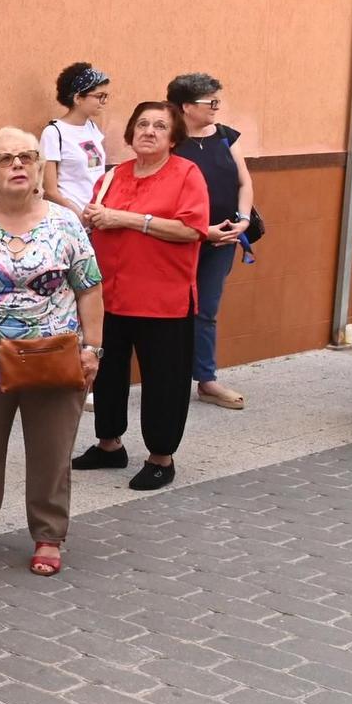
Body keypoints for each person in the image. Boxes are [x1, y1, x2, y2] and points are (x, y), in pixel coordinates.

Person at [0, 128, 103, 577]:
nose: (18, 164)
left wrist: (93, 348)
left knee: (51, 453)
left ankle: (48, 534)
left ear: (38, 168)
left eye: (27, 157)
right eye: (5, 158)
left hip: (54, 357)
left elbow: (89, 288)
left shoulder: (64, 222)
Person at [74, 102, 207, 491]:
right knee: (109, 372)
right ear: (130, 133)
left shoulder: (187, 174)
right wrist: (91, 217)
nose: (149, 131)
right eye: (142, 124)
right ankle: (109, 444)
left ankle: (161, 457)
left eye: (160, 126)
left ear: (173, 137)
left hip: (162, 296)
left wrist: (127, 220)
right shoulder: (115, 175)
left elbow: (191, 229)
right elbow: (99, 217)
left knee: (164, 378)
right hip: (110, 294)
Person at [167, 73, 255, 410]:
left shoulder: (225, 138)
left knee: (206, 309)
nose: (216, 107)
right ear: (187, 106)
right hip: (180, 239)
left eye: (217, 101)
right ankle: (169, 374)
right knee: (172, 308)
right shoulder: (171, 141)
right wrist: (201, 228)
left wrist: (243, 219)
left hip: (223, 239)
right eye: (210, 102)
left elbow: (244, 183)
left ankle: (206, 380)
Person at [41, 63, 112, 217]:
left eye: (106, 96)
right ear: (78, 98)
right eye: (99, 96)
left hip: (97, 215)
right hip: (71, 219)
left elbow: (96, 173)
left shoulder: (92, 127)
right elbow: (51, 191)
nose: (104, 102)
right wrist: (79, 216)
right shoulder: (54, 133)